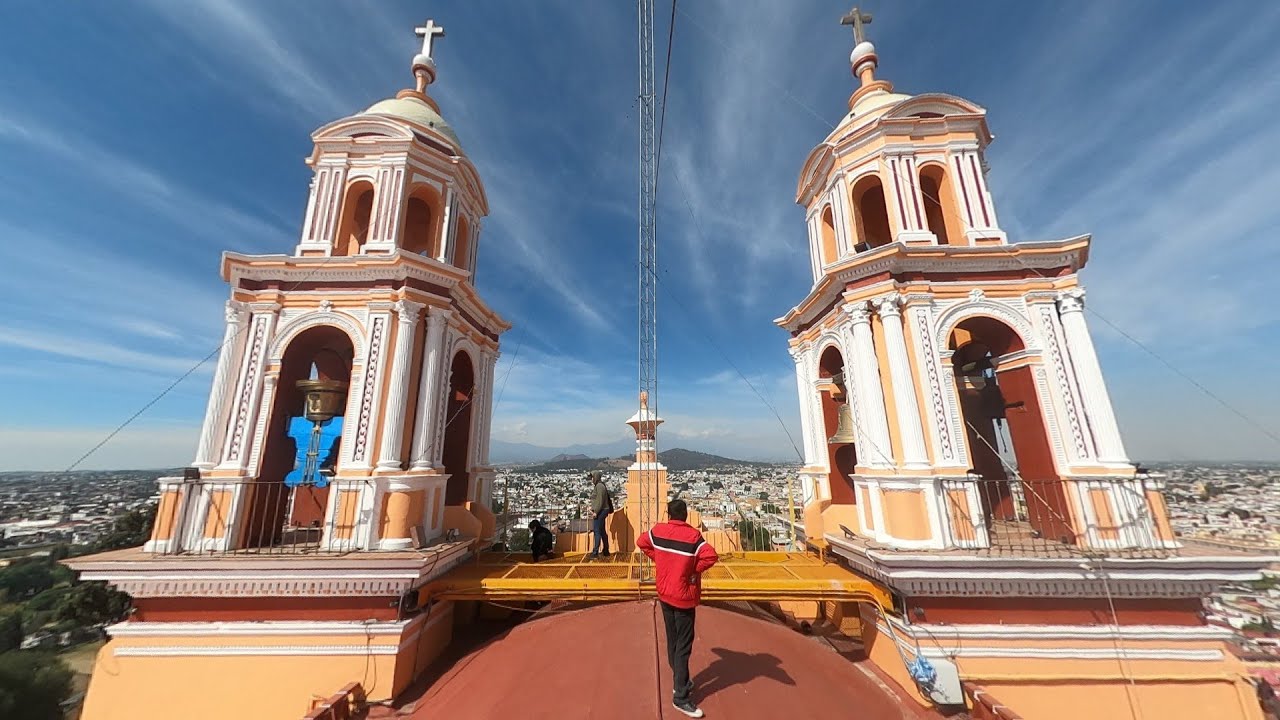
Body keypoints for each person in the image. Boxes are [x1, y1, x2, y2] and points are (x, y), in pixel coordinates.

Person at [637, 499, 719, 718]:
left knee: (673, 641)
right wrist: (693, 569)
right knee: (683, 646)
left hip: (664, 594)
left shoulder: (658, 531)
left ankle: (680, 679)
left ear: (668, 514)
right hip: (683, 597)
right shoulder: (693, 537)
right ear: (685, 515)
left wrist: (660, 559)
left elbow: (641, 542)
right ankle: (680, 697)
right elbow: (711, 556)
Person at [588, 471, 614, 559]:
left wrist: (596, 512)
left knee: (597, 531)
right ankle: (605, 550)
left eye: (592, 477)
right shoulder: (601, 485)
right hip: (604, 510)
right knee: (602, 530)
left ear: (595, 477)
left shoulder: (599, 486)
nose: (591, 479)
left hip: (601, 510)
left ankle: (595, 552)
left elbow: (599, 500)